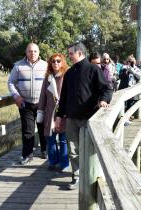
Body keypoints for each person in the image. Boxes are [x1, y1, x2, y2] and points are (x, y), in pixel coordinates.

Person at [55, 42, 112, 190]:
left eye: (71, 54)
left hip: (89, 118)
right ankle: (77, 175)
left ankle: (92, 176)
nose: (69, 56)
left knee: (89, 149)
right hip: (72, 118)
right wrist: (60, 116)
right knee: (73, 149)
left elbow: (106, 88)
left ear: (79, 53)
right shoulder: (69, 73)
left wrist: (104, 100)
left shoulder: (93, 69)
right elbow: (64, 96)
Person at [7, 43, 47, 165]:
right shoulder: (18, 66)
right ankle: (27, 155)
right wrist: (16, 96)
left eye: (35, 51)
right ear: (26, 52)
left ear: (39, 52)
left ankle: (45, 151)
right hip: (25, 103)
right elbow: (10, 82)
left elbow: (52, 82)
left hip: (42, 103)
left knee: (43, 129)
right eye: (30, 51)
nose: (32, 53)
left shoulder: (45, 65)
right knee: (27, 130)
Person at [37, 53, 69, 171]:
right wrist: (40, 111)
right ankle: (52, 161)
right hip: (50, 113)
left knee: (63, 139)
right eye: (53, 61)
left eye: (58, 61)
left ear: (62, 62)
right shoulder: (48, 78)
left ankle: (64, 164)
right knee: (50, 138)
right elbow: (42, 96)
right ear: (50, 63)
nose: (56, 63)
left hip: (63, 112)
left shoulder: (66, 76)